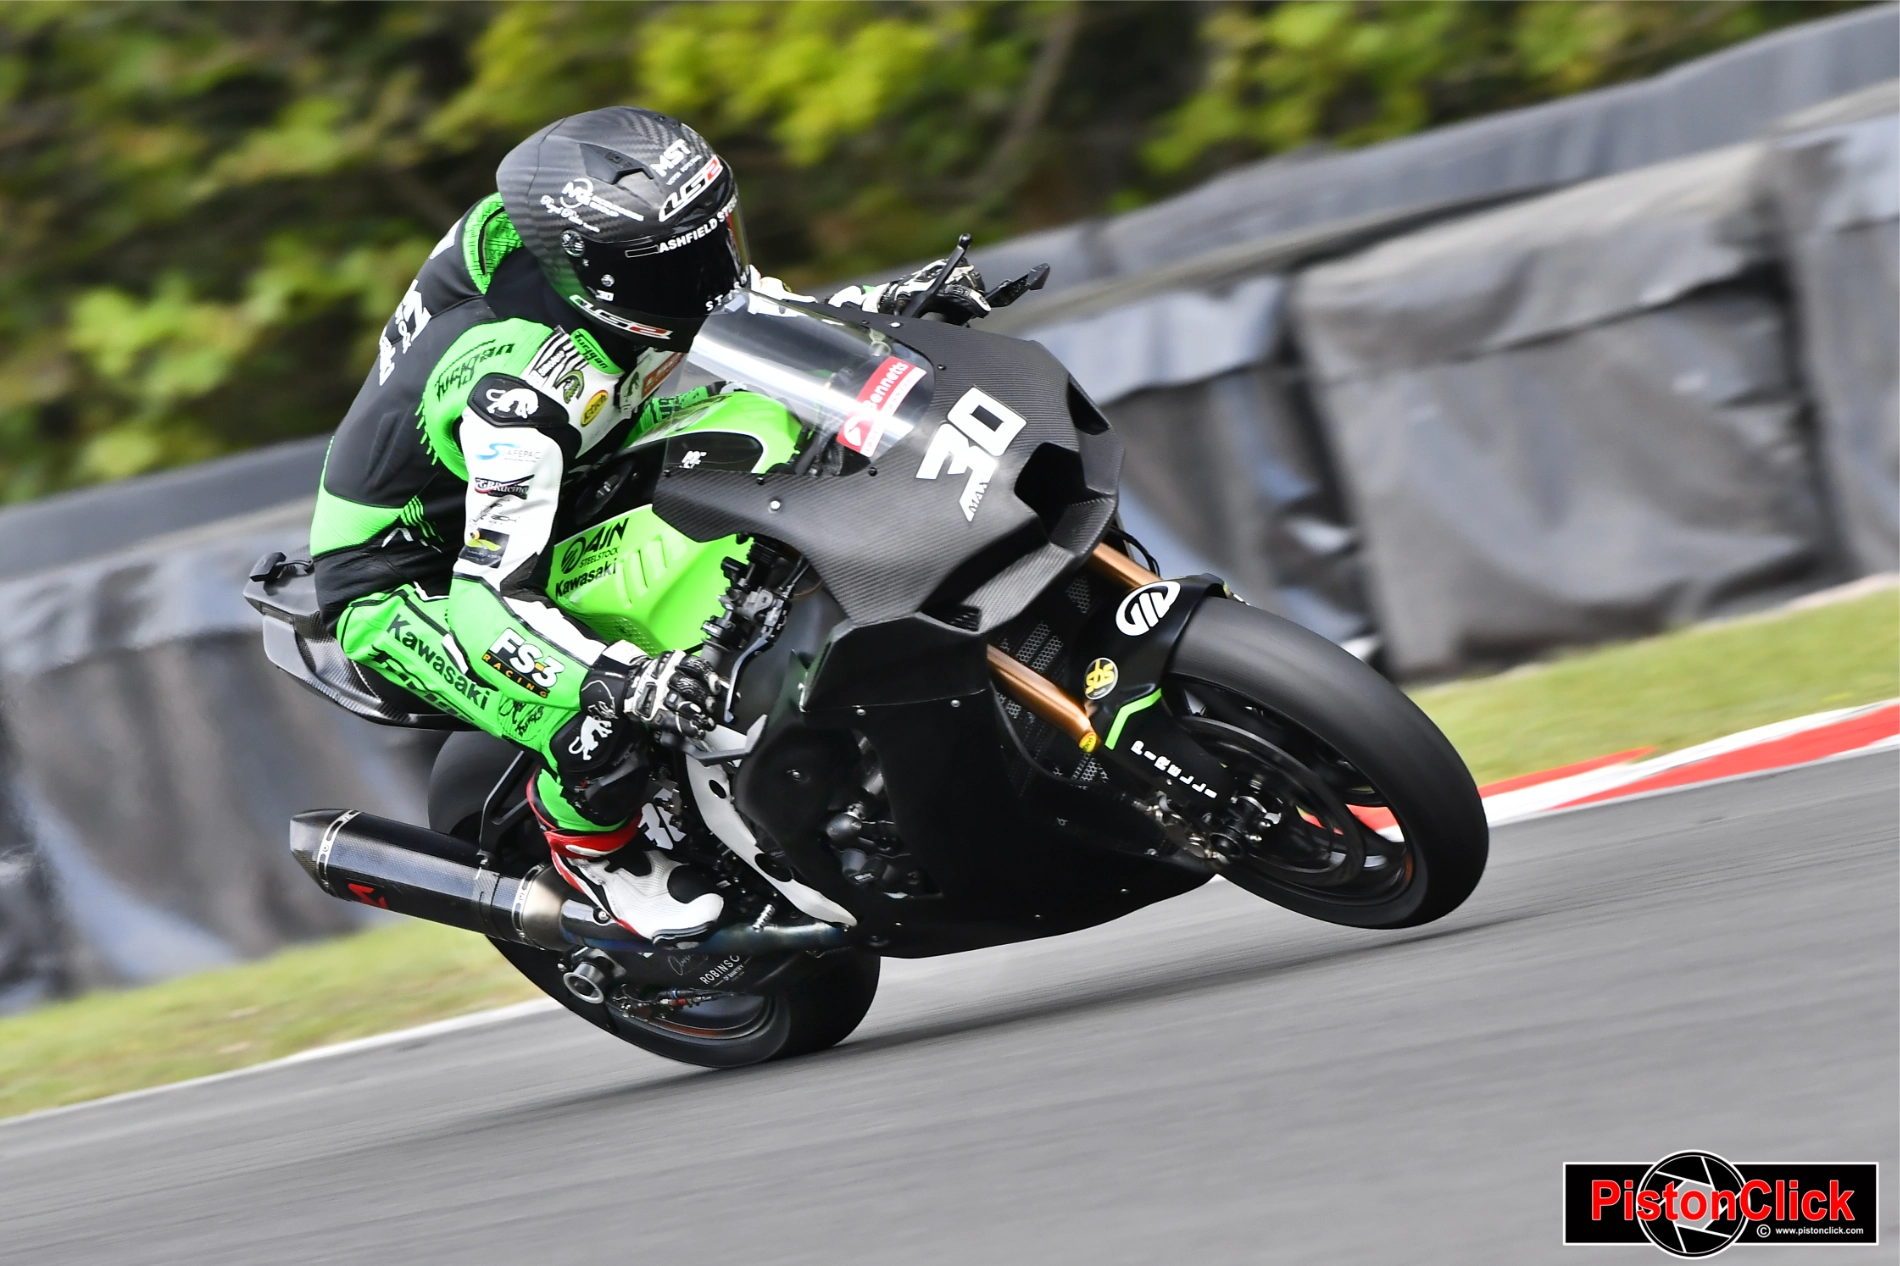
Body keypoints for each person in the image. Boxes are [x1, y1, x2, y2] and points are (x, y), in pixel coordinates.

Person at [310, 107, 986, 944]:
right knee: (600, 710)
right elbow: (488, 599)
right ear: (601, 282)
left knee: (787, 429)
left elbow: (758, 319)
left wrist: (881, 306)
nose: (712, 278)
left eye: (716, 241)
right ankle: (597, 853)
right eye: (679, 267)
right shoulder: (522, 390)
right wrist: (619, 680)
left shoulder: (624, 252)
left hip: (583, 462)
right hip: (414, 573)